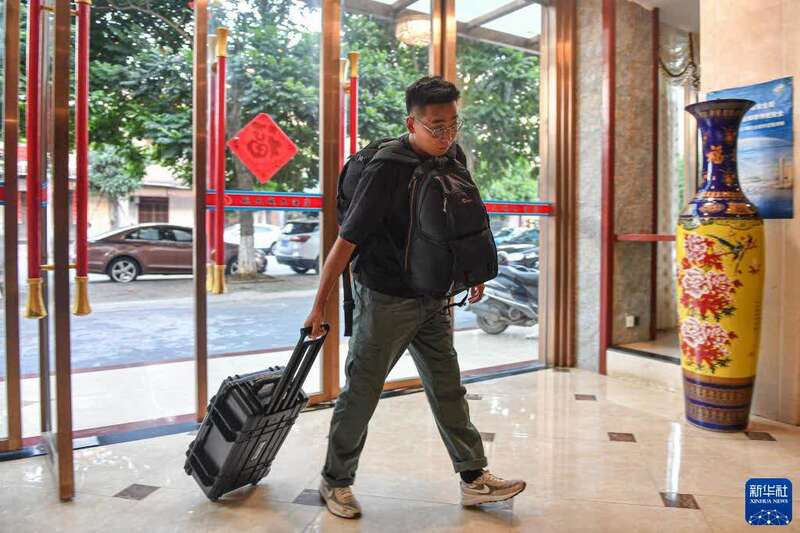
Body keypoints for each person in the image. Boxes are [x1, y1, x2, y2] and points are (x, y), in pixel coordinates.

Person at [304, 76, 526, 519]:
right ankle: (335, 480)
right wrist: (319, 304)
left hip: (433, 295)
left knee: (448, 387)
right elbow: (346, 241)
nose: (447, 135)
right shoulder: (387, 169)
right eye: (436, 127)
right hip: (386, 298)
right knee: (363, 391)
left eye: (454, 124)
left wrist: (468, 273)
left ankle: (473, 478)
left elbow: (458, 222)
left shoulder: (453, 157)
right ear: (412, 123)